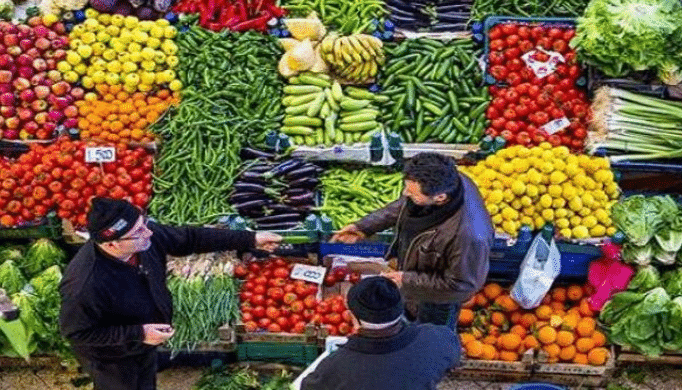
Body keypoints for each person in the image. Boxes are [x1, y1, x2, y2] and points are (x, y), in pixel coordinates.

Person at [59, 197, 282, 390]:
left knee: (146, 381)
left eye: (144, 223)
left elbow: (190, 238)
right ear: (111, 245)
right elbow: (77, 334)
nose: (148, 232)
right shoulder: (84, 284)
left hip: (144, 342)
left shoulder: (143, 239)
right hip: (112, 358)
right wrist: (138, 334)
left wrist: (250, 239)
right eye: (138, 232)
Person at [332, 152, 494, 329]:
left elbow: (462, 285)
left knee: (432, 334)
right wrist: (364, 227)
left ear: (440, 197)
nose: (404, 194)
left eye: (412, 193)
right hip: (418, 277)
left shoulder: (469, 236)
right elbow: (406, 205)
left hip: (438, 298)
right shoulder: (449, 180)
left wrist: (406, 279)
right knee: (410, 319)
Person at [300, 276, 461, 390]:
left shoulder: (334, 367)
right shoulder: (438, 339)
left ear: (352, 317)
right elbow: (452, 356)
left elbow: (307, 386)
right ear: (401, 308)